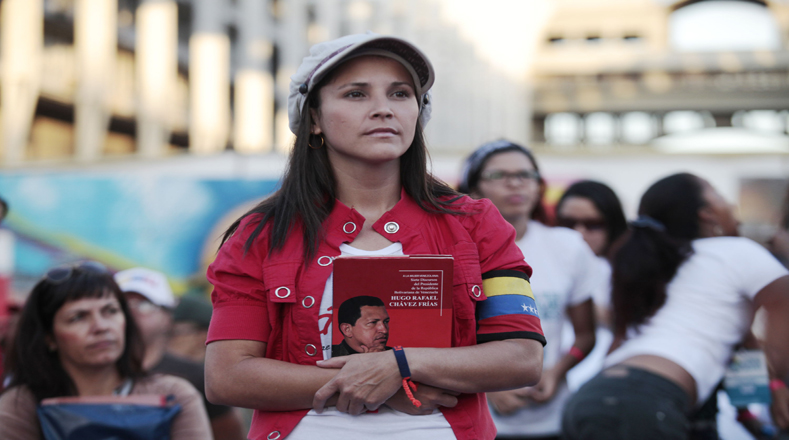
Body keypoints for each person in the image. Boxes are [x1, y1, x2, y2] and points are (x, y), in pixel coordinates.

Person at [204, 33, 545, 440]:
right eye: (356, 94)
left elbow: (522, 358)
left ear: (418, 113)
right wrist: (373, 384)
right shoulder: (260, 235)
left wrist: (398, 365)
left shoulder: (477, 224)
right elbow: (227, 376)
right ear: (313, 118)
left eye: (400, 94)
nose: (383, 109)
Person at [561, 172, 789, 440]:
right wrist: (779, 384)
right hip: (648, 402)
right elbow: (784, 308)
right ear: (707, 214)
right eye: (718, 194)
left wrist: (753, 408)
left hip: (590, 399)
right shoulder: (736, 251)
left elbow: (742, 344)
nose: (730, 204)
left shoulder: (661, 266)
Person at [459, 140, 598, 440]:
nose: (516, 183)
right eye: (500, 176)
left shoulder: (568, 245)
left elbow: (586, 336)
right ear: (473, 188)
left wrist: (555, 372)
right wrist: (484, 385)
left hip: (553, 421)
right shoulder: (454, 249)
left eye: (526, 174)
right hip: (478, 421)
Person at [0, 261, 212, 440]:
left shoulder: (173, 395)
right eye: (78, 317)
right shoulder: (22, 404)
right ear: (49, 337)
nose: (101, 326)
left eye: (110, 311)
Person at [115, 267, 247, 440]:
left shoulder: (197, 378)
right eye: (121, 305)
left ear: (168, 317)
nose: (131, 312)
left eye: (145, 305)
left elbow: (229, 434)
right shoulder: (91, 370)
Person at [554, 180, 627, 392]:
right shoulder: (534, 261)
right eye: (568, 223)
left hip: (605, 383)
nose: (579, 233)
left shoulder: (628, 269)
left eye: (593, 224)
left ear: (612, 225)